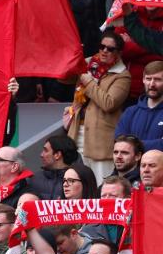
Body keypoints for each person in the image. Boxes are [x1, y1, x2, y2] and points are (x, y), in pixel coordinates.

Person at [65, 32, 131, 178]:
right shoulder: (88, 63)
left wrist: (88, 81)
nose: (105, 51)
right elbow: (64, 78)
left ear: (119, 53)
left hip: (100, 141)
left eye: (110, 49)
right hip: (77, 133)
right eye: (102, 47)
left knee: (101, 186)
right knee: (77, 184)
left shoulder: (123, 76)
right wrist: (73, 60)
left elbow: (109, 103)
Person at [116, 60, 163, 151]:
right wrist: (156, 143)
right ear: (143, 80)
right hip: (133, 165)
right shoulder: (130, 112)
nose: (152, 84)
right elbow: (120, 144)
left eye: (157, 79)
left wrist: (132, 145)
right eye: (148, 79)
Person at [29, 134, 79, 199]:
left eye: (45, 150)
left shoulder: (78, 181)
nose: (41, 155)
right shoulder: (34, 179)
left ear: (57, 155)